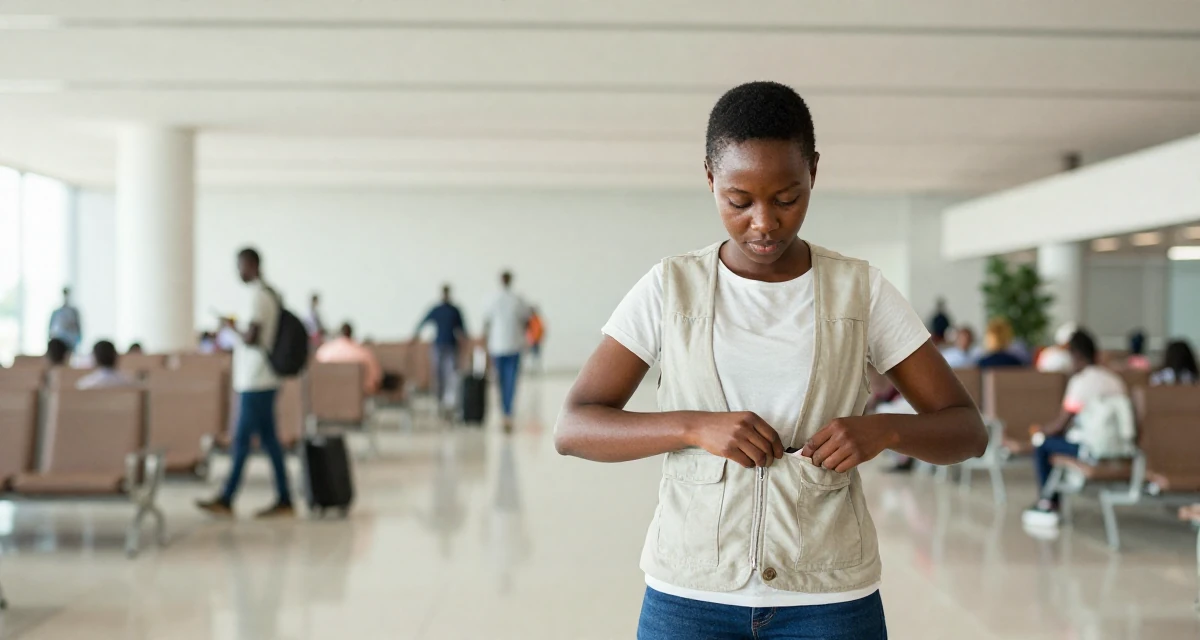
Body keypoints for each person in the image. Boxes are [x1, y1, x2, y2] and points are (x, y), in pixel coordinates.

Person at [554, 81, 988, 639]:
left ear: (813, 172)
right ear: (710, 178)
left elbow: (967, 430)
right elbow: (575, 427)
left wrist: (883, 431)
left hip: (830, 600)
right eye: (739, 201)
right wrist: (692, 426)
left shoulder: (861, 292)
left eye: (788, 198)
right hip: (690, 596)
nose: (764, 222)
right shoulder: (670, 288)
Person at [196, 247, 294, 519]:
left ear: (251, 265)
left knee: (241, 440)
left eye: (240, 266)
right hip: (262, 378)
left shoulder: (258, 297)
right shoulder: (270, 294)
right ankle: (284, 498)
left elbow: (251, 337)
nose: (238, 272)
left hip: (256, 379)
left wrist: (230, 327)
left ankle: (228, 498)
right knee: (269, 441)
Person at [1024, 329, 1126, 525]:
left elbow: (1060, 425)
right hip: (1120, 449)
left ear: (1076, 355)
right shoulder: (1114, 380)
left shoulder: (1081, 382)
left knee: (1042, 443)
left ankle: (1048, 502)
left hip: (1091, 449)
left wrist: (1040, 431)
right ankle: (1049, 499)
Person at [484, 272, 531, 431]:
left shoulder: (493, 299)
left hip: (497, 346)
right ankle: (508, 412)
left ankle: (504, 411)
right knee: (510, 381)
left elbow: (487, 322)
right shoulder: (517, 299)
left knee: (500, 381)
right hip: (513, 345)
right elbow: (526, 319)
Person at [414, 285, 468, 411]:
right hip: (438, 346)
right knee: (438, 375)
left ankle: (449, 402)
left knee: (451, 375)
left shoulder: (454, 310)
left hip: (451, 347)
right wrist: (415, 336)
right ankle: (438, 401)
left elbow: (462, 329)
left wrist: (465, 344)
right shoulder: (436, 309)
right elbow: (423, 322)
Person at [316, 322, 384, 395]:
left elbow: (316, 375)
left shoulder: (324, 352)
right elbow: (376, 378)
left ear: (339, 333)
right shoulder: (363, 353)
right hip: (359, 396)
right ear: (351, 334)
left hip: (327, 394)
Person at [48, 287, 82, 353]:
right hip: (58, 341)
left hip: (71, 341)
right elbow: (51, 328)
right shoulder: (57, 312)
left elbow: (78, 327)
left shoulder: (73, 312)